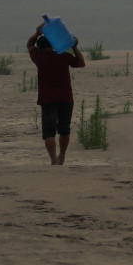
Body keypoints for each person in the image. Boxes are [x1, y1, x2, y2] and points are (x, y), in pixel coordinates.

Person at [27, 24, 86, 165]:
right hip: (66, 98)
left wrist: (36, 33)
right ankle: (62, 156)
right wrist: (75, 47)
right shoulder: (63, 56)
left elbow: (29, 44)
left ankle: (53, 160)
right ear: (53, 45)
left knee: (49, 132)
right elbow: (81, 63)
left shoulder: (39, 58)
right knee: (64, 130)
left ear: (40, 47)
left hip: (47, 99)